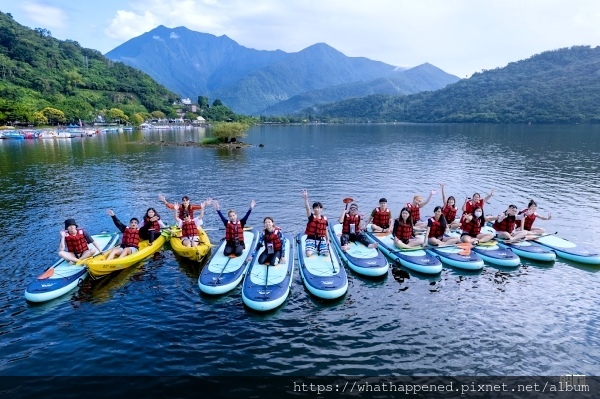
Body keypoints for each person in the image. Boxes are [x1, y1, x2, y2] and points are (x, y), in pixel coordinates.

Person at [302, 189, 329, 257]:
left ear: (321, 209)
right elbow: (307, 209)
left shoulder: (324, 219)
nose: (316, 209)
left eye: (318, 208)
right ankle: (310, 248)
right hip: (311, 238)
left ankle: (318, 248)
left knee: (326, 254)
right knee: (308, 254)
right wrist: (306, 199)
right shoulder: (311, 217)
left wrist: (328, 239)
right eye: (315, 208)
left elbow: (325, 230)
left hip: (321, 239)